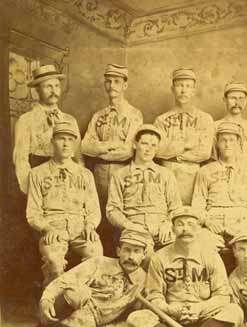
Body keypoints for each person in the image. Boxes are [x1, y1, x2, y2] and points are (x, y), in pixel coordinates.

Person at [127, 207, 243, 327]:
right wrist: (170, 309)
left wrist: (200, 308)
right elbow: (154, 296)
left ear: (199, 228)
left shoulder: (210, 255)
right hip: (172, 319)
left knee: (234, 311)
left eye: (191, 224)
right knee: (135, 319)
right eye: (180, 224)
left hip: (204, 315)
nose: (185, 229)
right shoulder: (159, 257)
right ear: (173, 228)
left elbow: (222, 295)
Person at [38, 229, 151, 327]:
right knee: (79, 292)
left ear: (144, 254)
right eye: (127, 250)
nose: (131, 257)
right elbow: (65, 280)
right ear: (118, 251)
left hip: (89, 320)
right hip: (67, 307)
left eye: (137, 251)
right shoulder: (99, 262)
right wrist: (46, 299)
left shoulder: (144, 280)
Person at [26, 118, 103, 286]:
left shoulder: (85, 175)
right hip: (53, 228)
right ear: (53, 141)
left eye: (70, 139)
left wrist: (90, 226)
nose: (66, 144)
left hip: (80, 228)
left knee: (96, 253)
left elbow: (93, 210)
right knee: (54, 260)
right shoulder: (37, 174)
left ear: (75, 144)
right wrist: (47, 228)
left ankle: (81, 300)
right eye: (61, 138)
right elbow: (33, 213)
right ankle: (52, 304)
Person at [82, 64, 143, 253]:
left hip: (123, 172)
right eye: (108, 81)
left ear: (125, 85)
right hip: (99, 173)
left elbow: (128, 151)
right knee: (99, 218)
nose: (112, 86)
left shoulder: (134, 114)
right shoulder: (99, 115)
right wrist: (107, 147)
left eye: (117, 81)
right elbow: (84, 146)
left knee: (120, 218)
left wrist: (98, 148)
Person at [106, 124, 182, 249]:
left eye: (153, 145)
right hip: (133, 228)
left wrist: (168, 224)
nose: (149, 149)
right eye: (144, 143)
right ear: (135, 145)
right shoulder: (120, 175)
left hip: (162, 227)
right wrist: (128, 225)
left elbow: (175, 207)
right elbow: (112, 210)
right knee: (144, 256)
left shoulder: (166, 174)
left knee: (176, 253)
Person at [192, 121, 247, 249]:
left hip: (241, 223)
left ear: (238, 143)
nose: (227, 144)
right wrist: (207, 221)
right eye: (223, 140)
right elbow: (198, 204)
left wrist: (246, 222)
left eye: (232, 140)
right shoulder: (205, 171)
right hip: (213, 224)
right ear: (217, 143)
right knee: (201, 245)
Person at [13, 65, 82, 194]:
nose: (53, 91)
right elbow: (21, 160)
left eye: (56, 86)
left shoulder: (70, 120)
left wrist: (78, 187)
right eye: (48, 86)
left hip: (67, 183)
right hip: (40, 181)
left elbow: (78, 158)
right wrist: (31, 190)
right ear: (37, 90)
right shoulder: (26, 120)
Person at [154, 68, 215, 205]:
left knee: (189, 219)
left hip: (193, 175)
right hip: (167, 173)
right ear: (172, 89)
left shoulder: (205, 119)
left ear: (193, 90)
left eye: (188, 86)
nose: (183, 90)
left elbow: (204, 152)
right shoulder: (161, 120)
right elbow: (158, 151)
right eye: (179, 85)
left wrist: (174, 154)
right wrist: (186, 146)